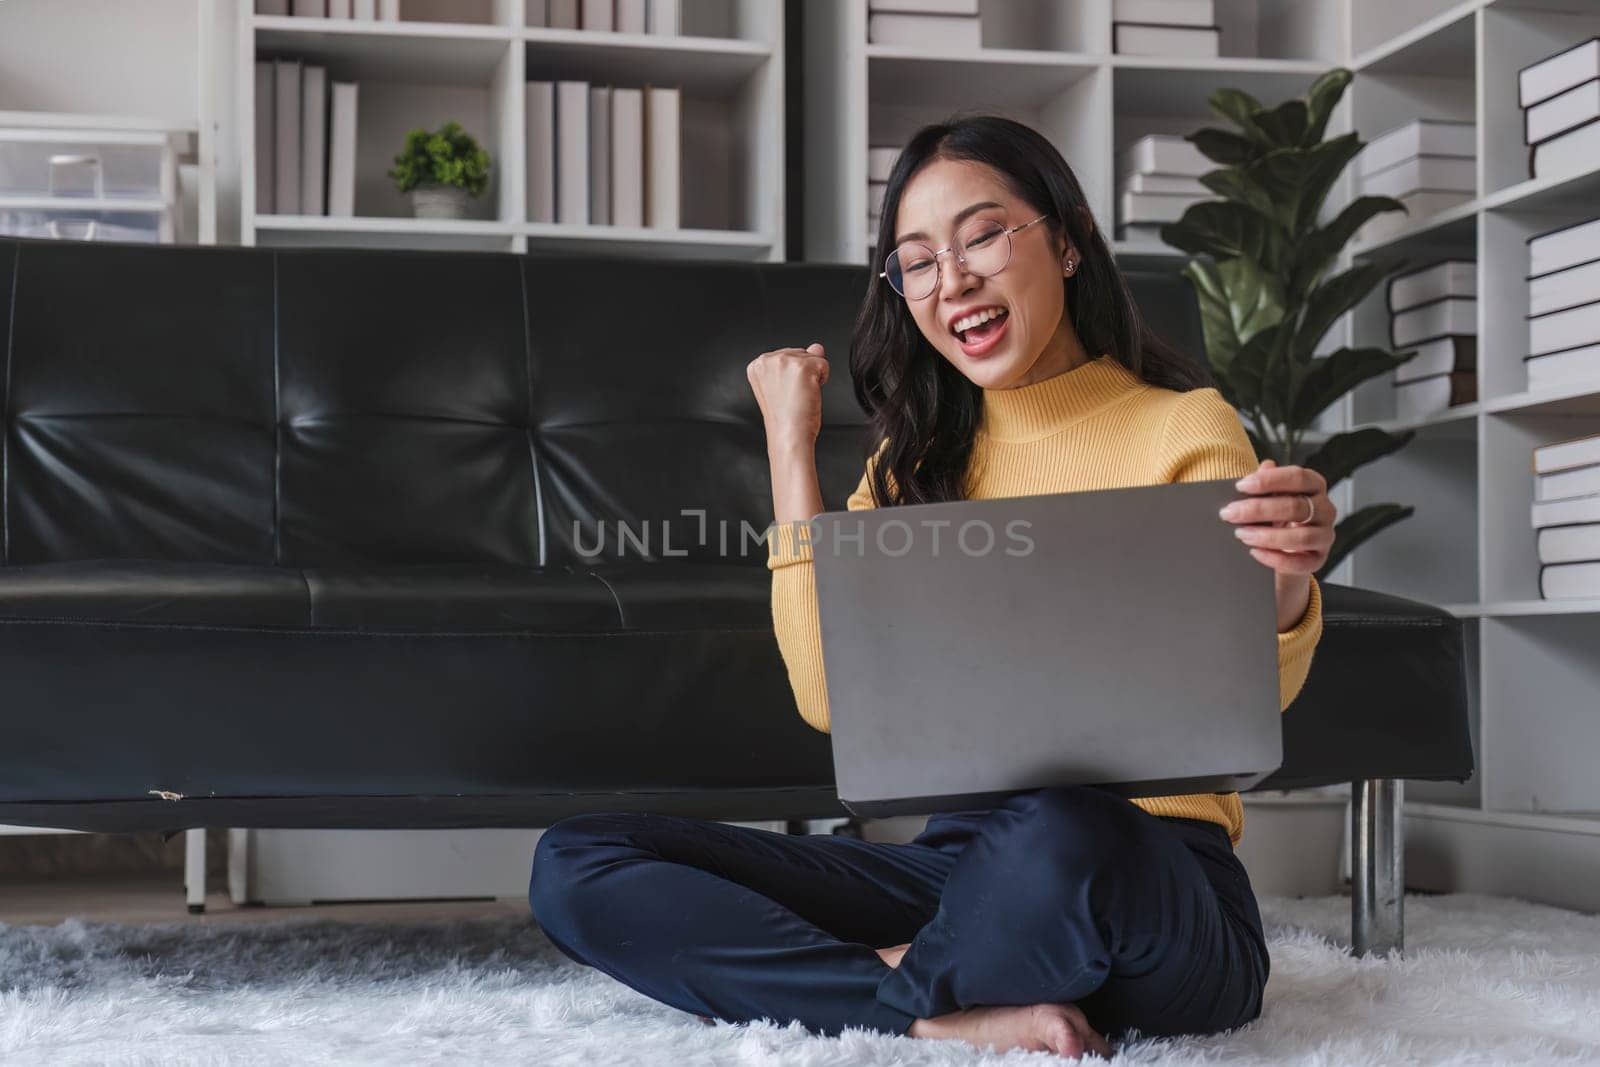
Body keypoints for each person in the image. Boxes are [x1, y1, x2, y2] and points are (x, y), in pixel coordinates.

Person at [528, 113, 1332, 1059]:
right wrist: (792, 448)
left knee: (1061, 822)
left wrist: (1282, 582)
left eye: (983, 235)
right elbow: (829, 701)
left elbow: (1252, 695)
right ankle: (929, 1005)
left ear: (1067, 241)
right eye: (916, 260)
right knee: (578, 858)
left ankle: (876, 982)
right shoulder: (914, 465)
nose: (951, 281)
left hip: (1145, 876)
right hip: (957, 870)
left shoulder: (1186, 425)